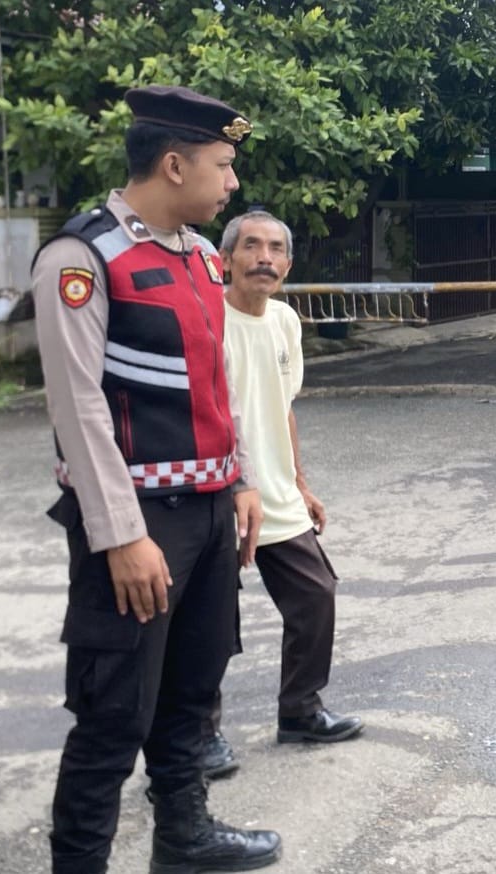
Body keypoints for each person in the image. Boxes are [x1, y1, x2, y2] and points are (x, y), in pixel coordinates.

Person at [31, 85, 280, 874]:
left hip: (207, 513)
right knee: (113, 712)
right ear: (174, 165)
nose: (232, 182)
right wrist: (121, 535)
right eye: (222, 165)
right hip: (137, 523)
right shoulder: (83, 258)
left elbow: (215, 382)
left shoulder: (201, 257)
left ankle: (184, 837)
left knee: (191, 695)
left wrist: (239, 479)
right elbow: (78, 407)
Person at [195, 209, 364, 779]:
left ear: (288, 265)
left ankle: (300, 710)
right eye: (251, 246)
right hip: (218, 491)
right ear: (226, 259)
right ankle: (199, 734)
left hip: (276, 492)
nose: (263, 258)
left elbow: (283, 407)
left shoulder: (286, 321)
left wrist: (300, 483)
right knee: (209, 621)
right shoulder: (207, 319)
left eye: (274, 249)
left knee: (316, 595)